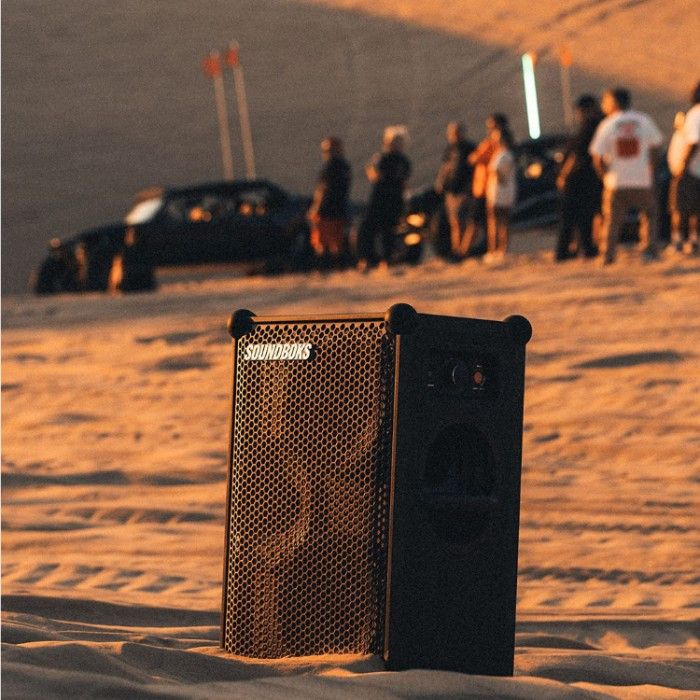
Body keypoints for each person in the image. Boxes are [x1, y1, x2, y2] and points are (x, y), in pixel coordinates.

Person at [589, 87, 663, 264]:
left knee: (612, 221)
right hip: (641, 180)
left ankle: (608, 255)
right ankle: (649, 250)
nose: (603, 105)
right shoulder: (643, 120)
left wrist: (604, 176)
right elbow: (656, 146)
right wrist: (651, 170)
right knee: (650, 214)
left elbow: (597, 156)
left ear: (614, 102)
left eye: (605, 101)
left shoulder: (608, 124)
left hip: (616, 181)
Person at [555, 95, 603, 261]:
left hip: (578, 179)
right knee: (584, 217)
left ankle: (564, 252)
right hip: (587, 179)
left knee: (571, 217)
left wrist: (563, 175)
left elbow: (577, 155)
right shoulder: (597, 126)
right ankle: (585, 249)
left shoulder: (588, 128)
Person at [356, 126, 411, 272]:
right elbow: (404, 182)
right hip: (389, 200)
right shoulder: (402, 161)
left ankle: (373, 260)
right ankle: (379, 261)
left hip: (383, 200)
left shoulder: (384, 159)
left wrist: (371, 168)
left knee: (374, 231)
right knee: (382, 232)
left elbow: (376, 177)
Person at [462, 113, 510, 256]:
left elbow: (478, 159)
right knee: (488, 222)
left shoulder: (497, 145)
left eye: (492, 125)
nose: (489, 129)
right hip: (483, 188)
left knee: (492, 222)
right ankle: (492, 249)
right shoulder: (489, 143)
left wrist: (479, 157)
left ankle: (494, 250)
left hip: (492, 189)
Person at [307, 137, 352, 267]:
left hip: (326, 210)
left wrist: (315, 208)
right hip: (341, 208)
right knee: (337, 242)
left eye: (328, 150)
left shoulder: (329, 167)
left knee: (322, 241)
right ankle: (338, 265)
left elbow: (323, 189)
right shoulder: (345, 167)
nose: (326, 153)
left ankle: (324, 265)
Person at [434, 121, 476, 258]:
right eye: (451, 133)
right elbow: (445, 167)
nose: (454, 135)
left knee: (466, 221)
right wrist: (440, 182)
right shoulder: (450, 149)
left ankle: (463, 250)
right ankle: (456, 250)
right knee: (454, 222)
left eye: (456, 132)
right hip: (451, 191)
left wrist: (469, 188)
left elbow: (474, 169)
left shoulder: (469, 148)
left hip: (464, 191)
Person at [668, 82, 700, 254]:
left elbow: (694, 142)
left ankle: (679, 240)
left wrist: (683, 165)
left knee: (681, 207)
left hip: (692, 170)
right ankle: (694, 240)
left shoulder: (696, 114)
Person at [483, 122, 517, 262]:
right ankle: (500, 250)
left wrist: (500, 179)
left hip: (499, 193)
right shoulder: (507, 154)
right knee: (502, 222)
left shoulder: (503, 154)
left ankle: (496, 250)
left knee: (496, 223)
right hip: (504, 192)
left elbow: (496, 171)